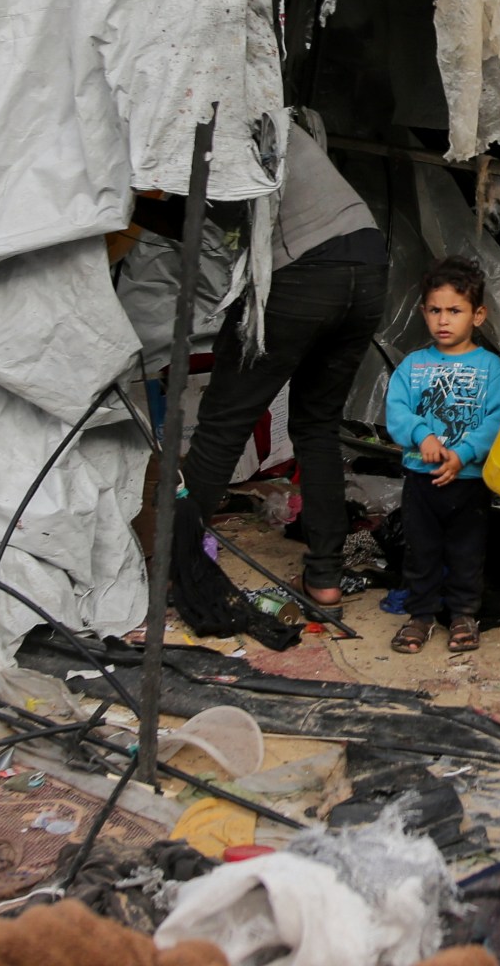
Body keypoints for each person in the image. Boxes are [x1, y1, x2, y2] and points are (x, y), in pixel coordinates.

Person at [177, 116, 386, 622]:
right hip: (368, 258)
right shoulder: (266, 108)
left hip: (307, 267)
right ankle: (325, 578)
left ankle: (178, 571)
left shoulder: (206, 115)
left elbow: (191, 211)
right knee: (316, 426)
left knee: (221, 427)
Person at [384, 257, 500, 655]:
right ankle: (420, 616)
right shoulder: (412, 365)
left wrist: (464, 453)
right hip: (420, 482)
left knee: (466, 554)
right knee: (420, 552)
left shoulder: (492, 369)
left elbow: (498, 418)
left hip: (469, 482)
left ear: (478, 315)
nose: (444, 320)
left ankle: (462, 615)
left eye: (454, 311)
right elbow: (397, 411)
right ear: (423, 312)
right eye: (435, 310)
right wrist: (421, 436)